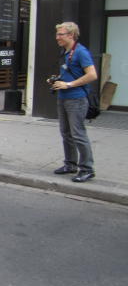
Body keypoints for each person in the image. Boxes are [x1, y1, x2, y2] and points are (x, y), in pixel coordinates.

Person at [49, 21, 97, 183]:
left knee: (78, 134)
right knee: (66, 133)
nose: (57, 38)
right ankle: (70, 164)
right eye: (57, 34)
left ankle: (87, 169)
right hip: (63, 97)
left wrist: (68, 84)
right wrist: (57, 80)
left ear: (71, 35)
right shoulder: (65, 51)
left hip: (76, 99)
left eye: (60, 34)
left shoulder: (81, 52)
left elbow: (92, 75)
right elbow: (71, 72)